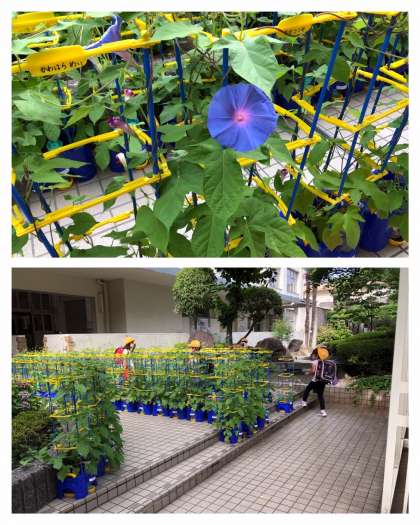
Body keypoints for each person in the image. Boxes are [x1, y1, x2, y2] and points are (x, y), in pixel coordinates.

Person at [301, 344, 330, 417]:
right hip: (323, 380)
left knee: (307, 389)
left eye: (314, 354)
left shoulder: (315, 362)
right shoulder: (326, 362)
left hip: (315, 380)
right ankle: (323, 411)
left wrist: (307, 372)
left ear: (317, 355)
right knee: (320, 395)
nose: (313, 356)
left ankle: (304, 402)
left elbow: (313, 371)